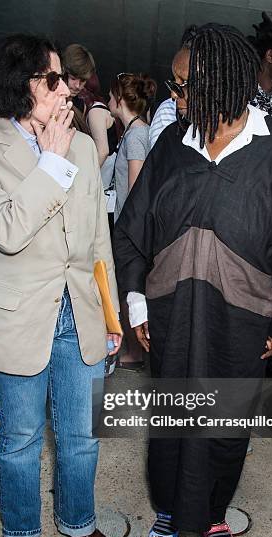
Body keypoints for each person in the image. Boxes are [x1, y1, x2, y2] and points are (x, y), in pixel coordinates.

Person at [113, 23, 272, 537]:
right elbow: (132, 231)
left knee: (226, 420)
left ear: (220, 84)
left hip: (242, 320)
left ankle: (215, 513)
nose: (173, 98)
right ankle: (169, 509)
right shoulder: (172, 146)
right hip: (171, 315)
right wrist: (135, 305)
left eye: (182, 87)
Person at [0, 33, 121, 537]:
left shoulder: (79, 146)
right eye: (53, 79)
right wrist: (48, 160)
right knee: (21, 440)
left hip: (80, 315)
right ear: (22, 87)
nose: (66, 88)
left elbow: (99, 238)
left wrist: (112, 316)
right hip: (16, 320)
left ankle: (79, 519)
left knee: (82, 437)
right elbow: (5, 228)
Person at [108, 72, 156, 371]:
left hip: (130, 226)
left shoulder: (138, 134)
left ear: (121, 100)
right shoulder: (132, 131)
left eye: (111, 95)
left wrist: (128, 230)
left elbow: (137, 186)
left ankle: (134, 352)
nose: (107, 101)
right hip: (126, 223)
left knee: (129, 285)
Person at [149, 25, 198, 149]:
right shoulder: (168, 110)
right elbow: (159, 160)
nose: (173, 94)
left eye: (185, 82)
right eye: (175, 81)